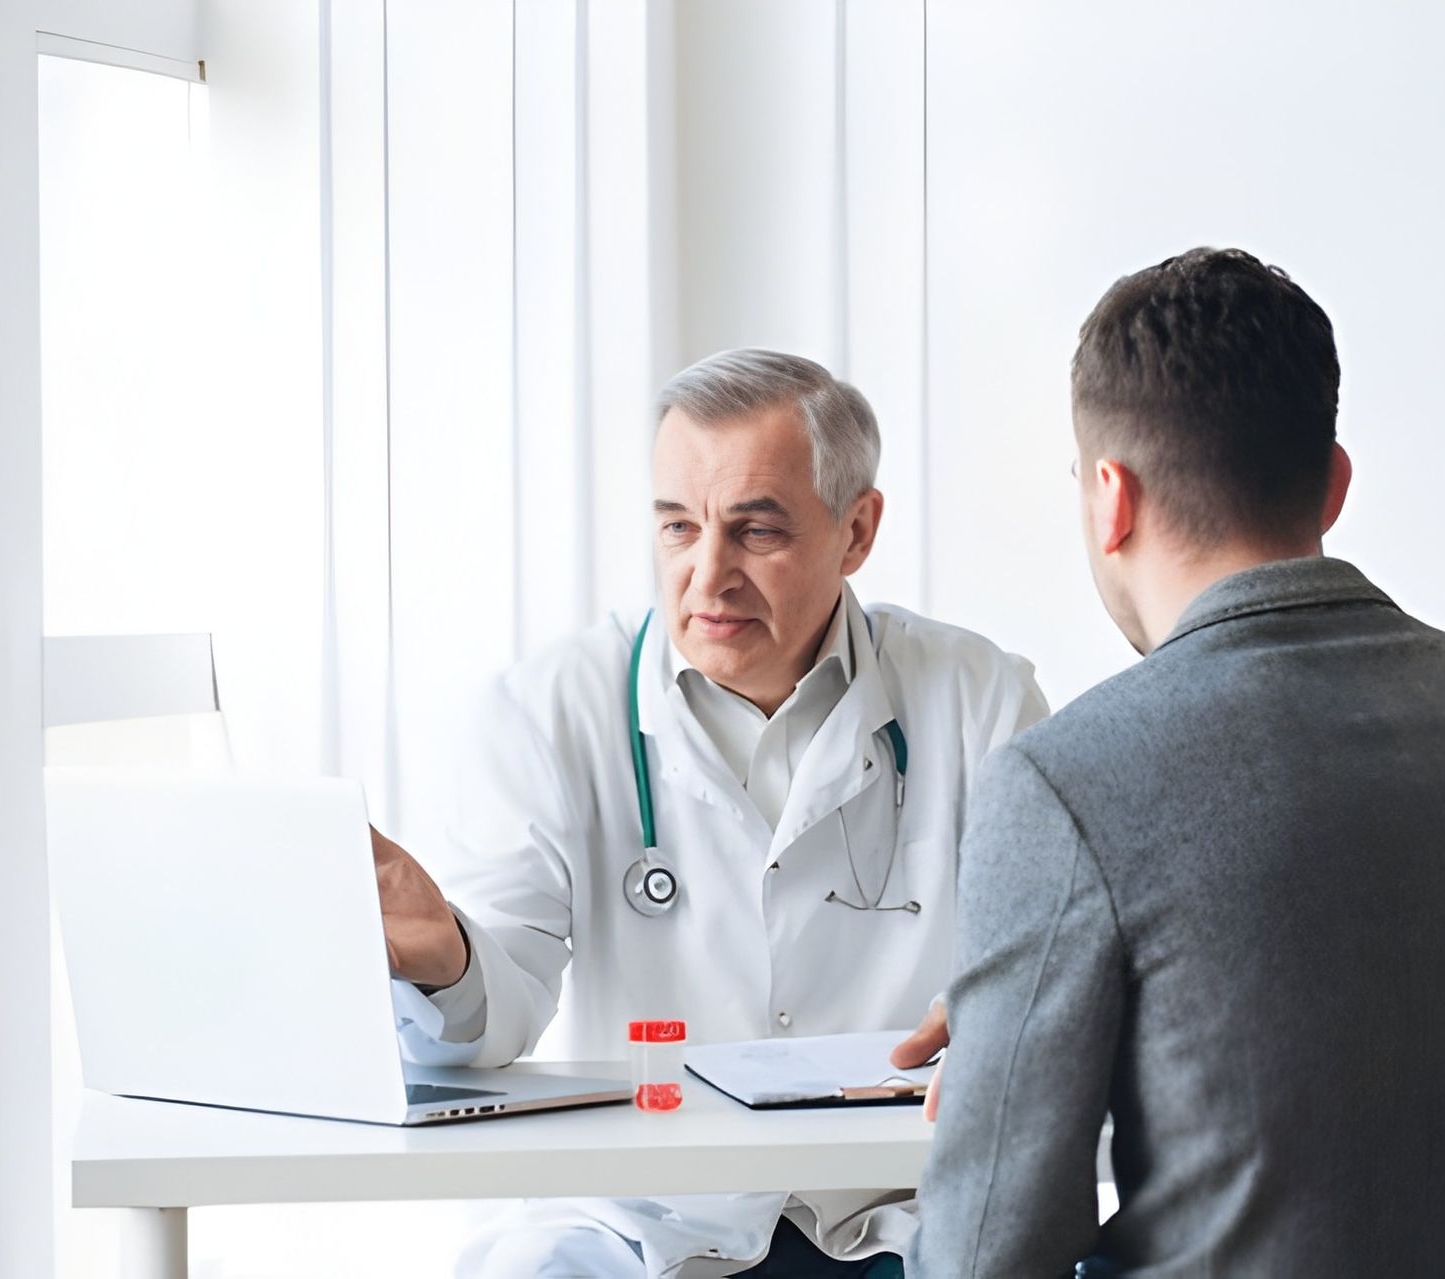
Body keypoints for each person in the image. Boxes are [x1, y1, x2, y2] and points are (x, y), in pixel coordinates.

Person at [906, 248, 1445, 1278]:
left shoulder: (1066, 784)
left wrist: (1008, 1046)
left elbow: (986, 1257)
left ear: (1110, 497)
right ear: (1332, 484)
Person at [373, 348, 1049, 1277]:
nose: (708, 575)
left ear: (858, 531)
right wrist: (446, 954)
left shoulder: (979, 700)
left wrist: (1004, 1011)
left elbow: (1042, 958)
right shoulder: (549, 710)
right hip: (645, 1221)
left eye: (756, 531)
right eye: (679, 528)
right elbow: (499, 1015)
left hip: (896, 1210)